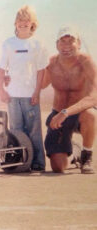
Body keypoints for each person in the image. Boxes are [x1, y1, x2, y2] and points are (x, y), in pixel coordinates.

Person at [0, 5, 48, 172]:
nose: (23, 23)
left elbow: (41, 70)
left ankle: (38, 162)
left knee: (34, 131)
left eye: (27, 20)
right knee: (16, 130)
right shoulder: (8, 43)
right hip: (13, 96)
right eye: (20, 20)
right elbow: (1, 68)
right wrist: (1, 89)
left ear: (32, 23)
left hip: (30, 95)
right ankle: (20, 161)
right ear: (15, 23)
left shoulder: (37, 44)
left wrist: (37, 92)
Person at [41, 26, 97, 174]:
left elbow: (94, 96)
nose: (66, 46)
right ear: (56, 45)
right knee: (58, 168)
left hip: (79, 114)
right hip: (58, 115)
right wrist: (13, 78)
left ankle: (87, 155)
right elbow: (41, 84)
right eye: (62, 41)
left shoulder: (86, 62)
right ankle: (74, 154)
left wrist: (66, 112)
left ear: (78, 43)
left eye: (70, 41)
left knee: (91, 114)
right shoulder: (52, 63)